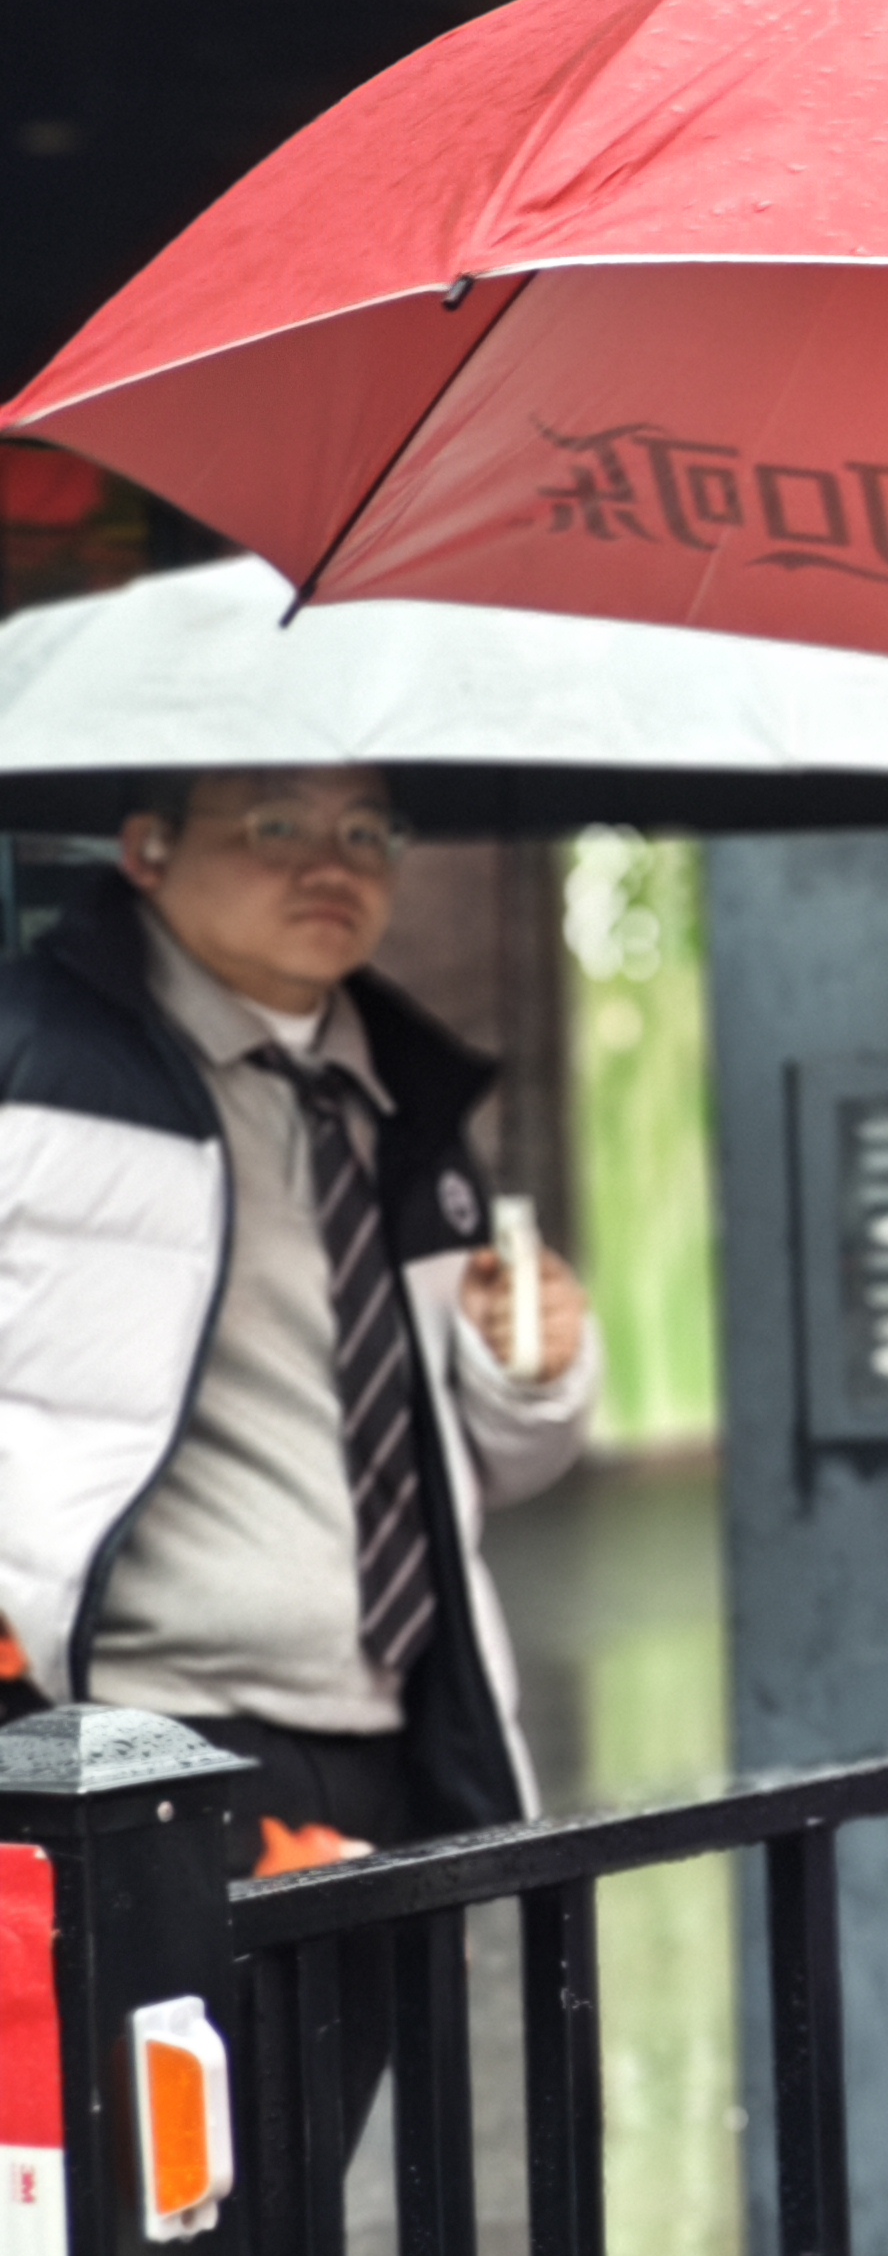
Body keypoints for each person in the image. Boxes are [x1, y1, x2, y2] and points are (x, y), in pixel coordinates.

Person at [0, 765, 597, 1906]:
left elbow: (485, 1471)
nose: (334, 866)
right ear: (147, 848)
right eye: (278, 825)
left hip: (394, 1745)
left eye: (370, 831)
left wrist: (534, 1378)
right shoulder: (29, 1062)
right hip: (130, 1744)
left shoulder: (406, 1097)